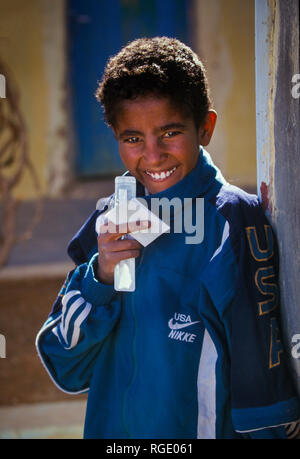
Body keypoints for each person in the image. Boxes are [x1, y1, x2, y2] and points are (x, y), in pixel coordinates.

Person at [36, 37, 300, 439]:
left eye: (170, 132)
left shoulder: (233, 222)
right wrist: (100, 277)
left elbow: (262, 389)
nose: (153, 155)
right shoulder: (114, 216)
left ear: (205, 128)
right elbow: (66, 366)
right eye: (132, 138)